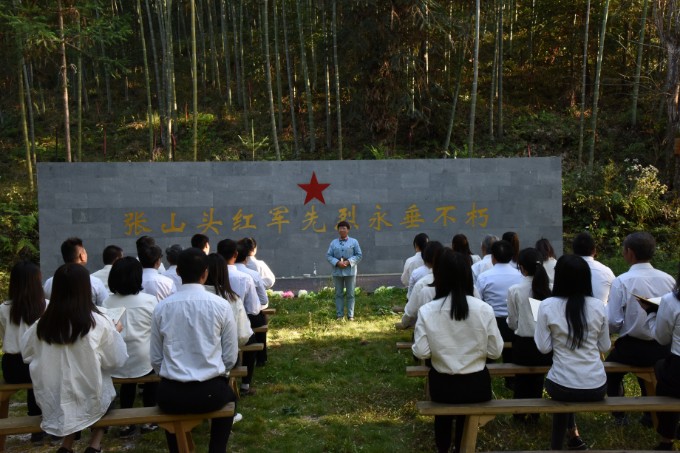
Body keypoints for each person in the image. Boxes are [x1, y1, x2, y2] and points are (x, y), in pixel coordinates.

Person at [21, 263, 128, 453]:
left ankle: (67, 445)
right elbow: (116, 361)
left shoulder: (42, 324)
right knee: (106, 393)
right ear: (85, 289)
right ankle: (94, 444)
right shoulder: (98, 322)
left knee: (72, 403)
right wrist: (116, 332)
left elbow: (27, 354)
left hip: (53, 397)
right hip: (91, 396)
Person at [412, 249, 503, 453]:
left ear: (438, 276)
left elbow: (421, 352)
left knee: (442, 417)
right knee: (465, 414)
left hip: (442, 386)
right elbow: (495, 351)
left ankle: (443, 448)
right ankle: (462, 446)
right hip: (477, 386)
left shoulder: (427, 311)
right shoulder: (483, 309)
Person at [150, 248, 239, 453]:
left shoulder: (162, 307)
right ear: (205, 272)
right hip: (210, 391)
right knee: (229, 399)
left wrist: (171, 374)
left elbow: (155, 358)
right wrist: (219, 372)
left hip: (170, 393)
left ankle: (176, 450)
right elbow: (230, 355)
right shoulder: (221, 305)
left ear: (178, 272)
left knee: (172, 412)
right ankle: (217, 449)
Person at [534, 255, 610, 450]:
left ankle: (556, 446)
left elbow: (544, 348)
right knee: (567, 383)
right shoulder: (598, 306)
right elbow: (604, 347)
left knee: (563, 385)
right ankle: (572, 436)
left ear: (558, 277)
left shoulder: (547, 305)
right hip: (596, 386)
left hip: (560, 386)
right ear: (586, 278)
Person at [606, 232, 676, 426]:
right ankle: (648, 414)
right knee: (650, 373)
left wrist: (618, 329)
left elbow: (612, 321)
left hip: (632, 347)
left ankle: (619, 415)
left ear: (629, 252)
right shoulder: (669, 280)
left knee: (610, 373)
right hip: (664, 347)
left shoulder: (622, 281)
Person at [104, 257, 158, 437]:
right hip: (144, 360)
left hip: (116, 361)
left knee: (127, 386)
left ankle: (125, 424)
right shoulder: (150, 301)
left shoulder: (106, 303)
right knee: (151, 381)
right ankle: (150, 420)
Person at [0, 261, 46, 442]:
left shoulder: (3, 308)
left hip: (12, 367)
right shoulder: (46, 306)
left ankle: (36, 429)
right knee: (39, 373)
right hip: (38, 362)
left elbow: (4, 336)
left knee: (33, 372)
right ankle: (40, 427)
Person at [507, 248, 553, 423]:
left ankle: (519, 413)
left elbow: (511, 322)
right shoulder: (549, 288)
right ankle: (535, 414)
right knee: (537, 380)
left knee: (522, 381)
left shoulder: (515, 290)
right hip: (545, 348)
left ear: (522, 268)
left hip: (523, 348)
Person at [639, 268, 680, 450]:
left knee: (662, 372)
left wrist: (651, 313)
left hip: (678, 370)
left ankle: (667, 438)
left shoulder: (671, 301)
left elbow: (662, 338)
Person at [217, 238, 263, 395]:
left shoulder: (211, 276)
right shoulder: (245, 278)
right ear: (235, 254)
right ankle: (245, 385)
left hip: (214, 329)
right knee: (250, 342)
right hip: (238, 327)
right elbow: (254, 308)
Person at [475, 240, 523, 373]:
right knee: (511, 356)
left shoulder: (484, 277)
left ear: (492, 257)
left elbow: (479, 300)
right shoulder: (520, 276)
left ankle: (486, 371)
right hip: (514, 325)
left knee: (488, 356)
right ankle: (510, 379)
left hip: (491, 323)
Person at [44, 237, 109, 306]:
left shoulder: (48, 283)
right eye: (85, 252)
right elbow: (105, 306)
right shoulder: (95, 283)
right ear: (82, 256)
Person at [399, 241, 444, 328]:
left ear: (424, 258)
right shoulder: (458, 281)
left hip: (428, 333)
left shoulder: (422, 285)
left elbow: (410, 313)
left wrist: (405, 323)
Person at [326, 221, 363, 320]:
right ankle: (339, 315)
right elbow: (328, 255)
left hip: (350, 271)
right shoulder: (333, 242)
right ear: (338, 230)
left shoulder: (354, 242)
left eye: (344, 228)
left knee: (350, 294)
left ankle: (350, 315)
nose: (342, 230)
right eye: (340, 228)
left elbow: (359, 255)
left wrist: (348, 262)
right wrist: (337, 262)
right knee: (338, 293)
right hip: (337, 271)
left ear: (348, 230)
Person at [572, 232, 615, 305]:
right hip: (601, 314)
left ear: (573, 251)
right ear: (594, 250)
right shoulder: (606, 271)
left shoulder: (565, 270)